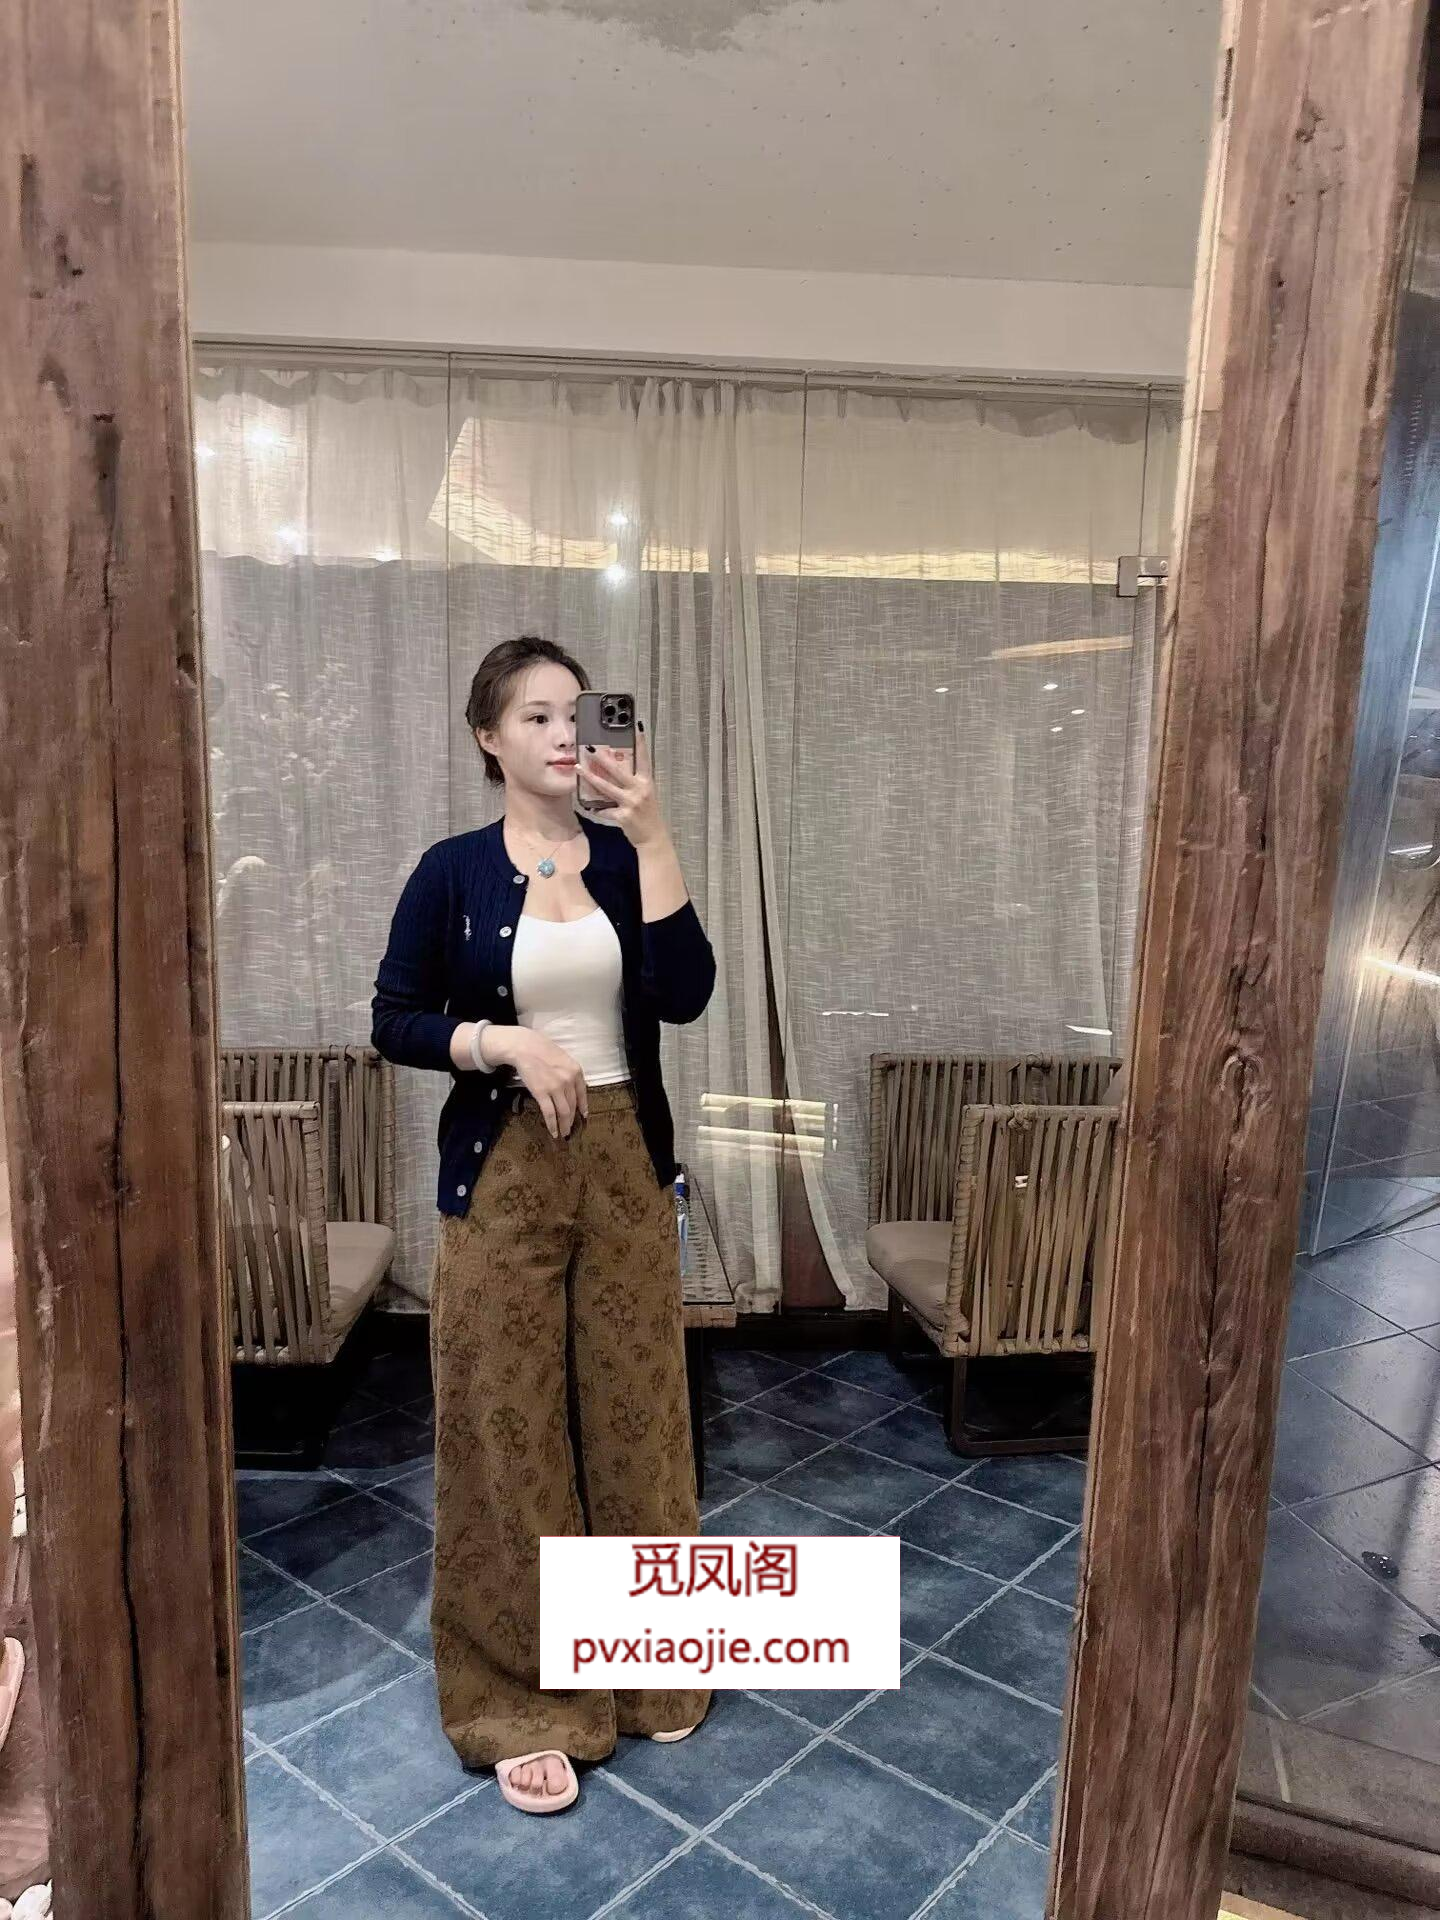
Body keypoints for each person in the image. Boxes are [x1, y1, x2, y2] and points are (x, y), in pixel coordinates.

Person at [371, 634, 715, 1815]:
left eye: (579, 713)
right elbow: (395, 1018)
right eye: (535, 716)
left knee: (637, 1415)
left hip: (624, 1163)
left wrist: (654, 836)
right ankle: (523, 1698)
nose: (565, 734)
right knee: (504, 1423)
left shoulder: (624, 859)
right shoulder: (453, 872)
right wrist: (502, 1042)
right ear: (488, 737)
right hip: (504, 1164)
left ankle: (649, 1658)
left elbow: (685, 994)